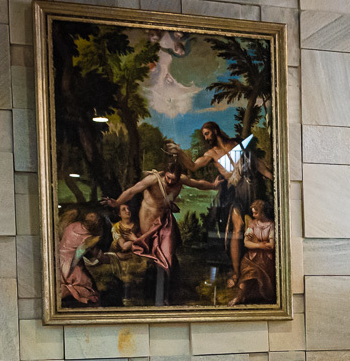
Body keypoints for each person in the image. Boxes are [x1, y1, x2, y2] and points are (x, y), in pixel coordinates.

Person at [166, 121, 273, 289]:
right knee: (236, 228)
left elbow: (256, 163)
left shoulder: (236, 144)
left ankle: (256, 271)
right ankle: (236, 272)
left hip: (251, 188)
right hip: (233, 193)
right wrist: (179, 152)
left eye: (207, 133)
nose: (206, 137)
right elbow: (193, 166)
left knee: (258, 225)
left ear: (216, 130)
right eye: (204, 136)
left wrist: (271, 176)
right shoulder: (212, 153)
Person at [103, 161, 220, 305]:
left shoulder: (181, 180)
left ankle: (163, 298)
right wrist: (116, 202)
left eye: (174, 179)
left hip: (164, 223)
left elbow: (198, 184)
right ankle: (151, 297)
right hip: (147, 222)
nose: (171, 182)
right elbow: (132, 191)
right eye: (168, 178)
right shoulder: (153, 180)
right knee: (148, 256)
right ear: (165, 174)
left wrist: (213, 186)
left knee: (167, 258)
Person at [229, 199, 277, 306]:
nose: (253, 215)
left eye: (256, 212)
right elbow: (246, 243)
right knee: (248, 271)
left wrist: (256, 242)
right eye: (253, 212)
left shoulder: (271, 225)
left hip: (266, 259)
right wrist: (261, 244)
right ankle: (240, 297)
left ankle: (254, 297)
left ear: (262, 212)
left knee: (257, 273)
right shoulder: (252, 224)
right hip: (251, 257)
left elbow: (272, 245)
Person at [56, 210, 102, 305]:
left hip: (60, 259)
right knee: (84, 284)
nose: (94, 219)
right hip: (69, 264)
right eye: (92, 216)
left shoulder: (72, 225)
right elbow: (78, 254)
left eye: (96, 218)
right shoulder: (90, 238)